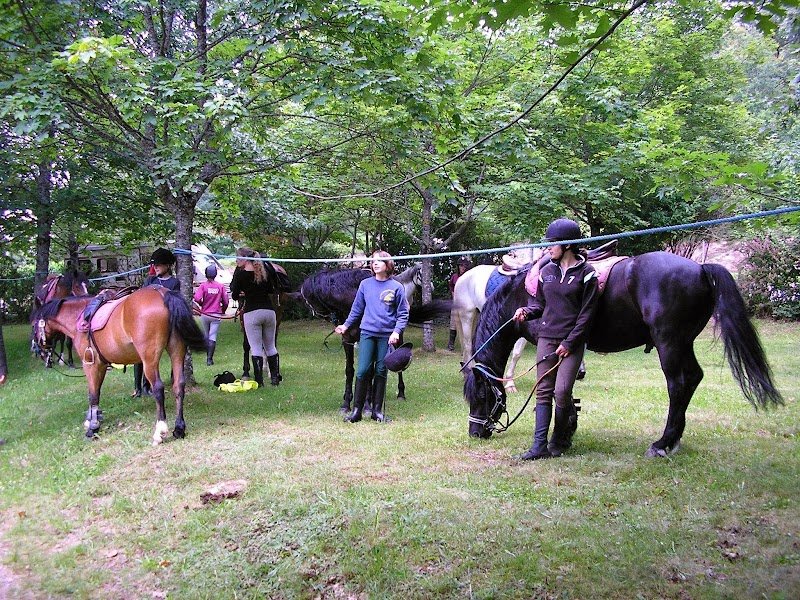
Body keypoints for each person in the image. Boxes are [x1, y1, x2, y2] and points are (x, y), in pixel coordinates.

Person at [512, 218, 599, 460]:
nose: (548, 248)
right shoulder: (546, 272)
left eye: (552, 243)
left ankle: (559, 440)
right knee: (543, 391)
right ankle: (539, 446)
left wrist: (569, 343)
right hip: (546, 338)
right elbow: (540, 305)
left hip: (572, 342)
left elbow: (587, 315)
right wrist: (526, 311)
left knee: (561, 392)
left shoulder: (587, 274)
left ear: (567, 245)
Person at [335, 250, 410, 423]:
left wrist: (396, 332)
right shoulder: (365, 285)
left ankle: (377, 412)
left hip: (386, 336)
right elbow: (357, 309)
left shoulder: (397, 287)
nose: (375, 263)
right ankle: (357, 412)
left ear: (388, 265)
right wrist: (345, 325)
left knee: (381, 371)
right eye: (373, 261)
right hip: (367, 333)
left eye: (379, 261)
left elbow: (403, 313)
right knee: (362, 370)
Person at [132, 247, 180, 397]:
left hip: (165, 323)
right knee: (140, 356)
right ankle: (139, 387)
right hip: (147, 324)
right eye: (154, 264)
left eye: (159, 264)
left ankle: (161, 382)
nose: (156, 267)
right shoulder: (150, 281)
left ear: (167, 266)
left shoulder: (174, 282)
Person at [229, 247, 281, 387]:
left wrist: (243, 293)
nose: (237, 261)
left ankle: (259, 382)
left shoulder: (241, 275)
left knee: (256, 348)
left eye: (238, 258)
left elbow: (234, 295)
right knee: (271, 347)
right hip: (269, 312)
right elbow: (271, 290)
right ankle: (275, 378)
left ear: (245, 259)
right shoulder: (264, 273)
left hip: (252, 313)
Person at [193, 264, 229, 366]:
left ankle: (207, 357)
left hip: (205, 313)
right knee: (212, 336)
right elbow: (226, 301)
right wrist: (223, 310)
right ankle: (209, 359)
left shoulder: (203, 286)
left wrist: (202, 304)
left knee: (206, 334)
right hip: (216, 314)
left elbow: (197, 298)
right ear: (215, 274)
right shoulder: (220, 286)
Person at [447, 256, 472, 351]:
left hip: (468, 303)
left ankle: (469, 344)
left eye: (464, 266)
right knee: (454, 322)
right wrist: (454, 295)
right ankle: (451, 344)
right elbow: (451, 286)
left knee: (468, 322)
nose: (462, 267)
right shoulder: (455, 277)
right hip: (457, 302)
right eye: (460, 265)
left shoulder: (469, 276)